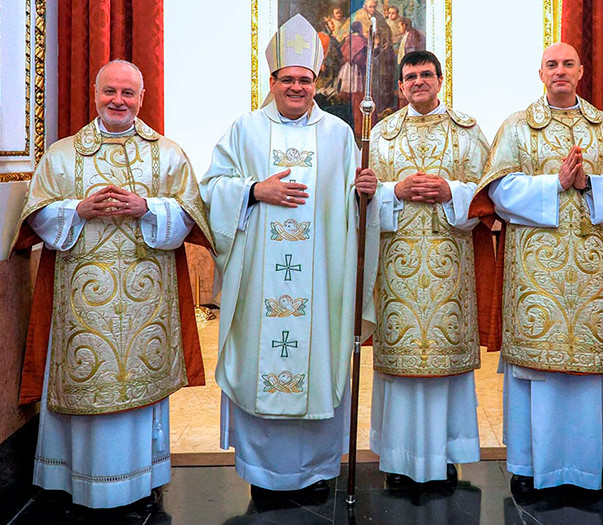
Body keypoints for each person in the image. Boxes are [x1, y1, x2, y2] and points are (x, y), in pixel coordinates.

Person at [11, 60, 213, 509]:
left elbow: (191, 217)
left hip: (146, 303)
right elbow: (36, 216)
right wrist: (77, 211)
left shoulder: (167, 153)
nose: (118, 100)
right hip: (82, 306)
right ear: (95, 93)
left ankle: (142, 481)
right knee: (84, 381)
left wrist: (147, 206)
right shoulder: (64, 154)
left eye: (128, 93)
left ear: (142, 98)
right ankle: (79, 481)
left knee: (140, 387)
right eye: (110, 92)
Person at [199, 14, 379, 502]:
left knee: (319, 364)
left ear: (316, 83)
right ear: (273, 81)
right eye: (288, 79)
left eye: (305, 79)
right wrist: (256, 190)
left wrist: (366, 195)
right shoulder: (244, 130)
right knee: (261, 363)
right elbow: (209, 190)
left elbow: (355, 209)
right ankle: (265, 477)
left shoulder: (341, 135)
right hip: (259, 282)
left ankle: (318, 472)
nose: (296, 87)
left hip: (321, 283)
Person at [469, 42, 603, 492]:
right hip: (536, 277)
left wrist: (589, 184)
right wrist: (555, 184)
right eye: (552, 64)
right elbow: (499, 193)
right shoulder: (516, 128)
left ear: (582, 71)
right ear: (541, 73)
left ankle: (587, 468)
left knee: (586, 381)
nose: (560, 71)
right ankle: (530, 468)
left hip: (593, 277)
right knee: (538, 376)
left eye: (568, 64)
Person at [369, 51, 494, 485]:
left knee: (445, 365)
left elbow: (485, 194)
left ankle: (445, 456)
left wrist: (451, 191)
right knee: (401, 366)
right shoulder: (382, 134)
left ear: (440, 80)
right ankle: (398, 460)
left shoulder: (469, 131)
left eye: (426, 74)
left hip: (448, 270)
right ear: (400, 87)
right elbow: (363, 198)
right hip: (398, 269)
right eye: (410, 77)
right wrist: (395, 190)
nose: (418, 82)